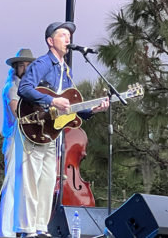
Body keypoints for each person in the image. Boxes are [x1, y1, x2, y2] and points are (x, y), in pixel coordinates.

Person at [16, 22, 109, 238]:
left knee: (48, 179)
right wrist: (51, 100)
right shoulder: (42, 63)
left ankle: (41, 227)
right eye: (63, 35)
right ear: (50, 41)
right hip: (36, 125)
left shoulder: (65, 70)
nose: (68, 39)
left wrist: (95, 109)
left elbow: (72, 108)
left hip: (53, 132)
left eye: (69, 35)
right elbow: (25, 88)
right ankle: (28, 229)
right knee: (32, 179)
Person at [0, 48, 35, 237]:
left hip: (30, 141)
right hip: (15, 139)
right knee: (12, 186)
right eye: (22, 65)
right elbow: (18, 114)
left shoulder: (34, 89)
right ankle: (7, 233)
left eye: (29, 65)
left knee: (27, 187)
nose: (26, 68)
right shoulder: (13, 88)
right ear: (16, 68)